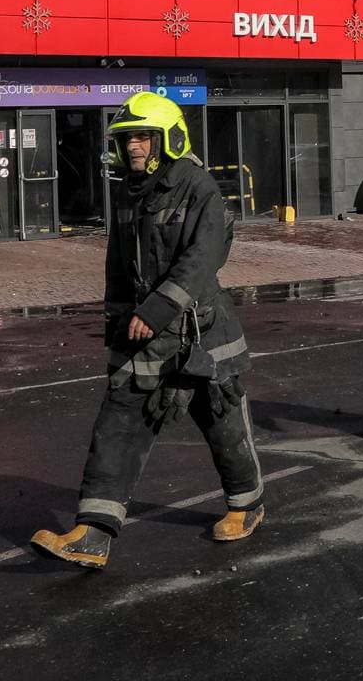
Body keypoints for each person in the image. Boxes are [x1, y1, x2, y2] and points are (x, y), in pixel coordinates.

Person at [30, 92, 261, 569]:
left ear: (168, 139)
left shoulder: (198, 187)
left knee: (222, 424)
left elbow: (203, 258)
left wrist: (157, 310)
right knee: (116, 424)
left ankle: (247, 504)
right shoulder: (128, 192)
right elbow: (119, 264)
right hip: (143, 336)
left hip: (201, 338)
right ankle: (93, 534)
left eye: (142, 137)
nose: (133, 146)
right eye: (126, 139)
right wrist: (116, 324)